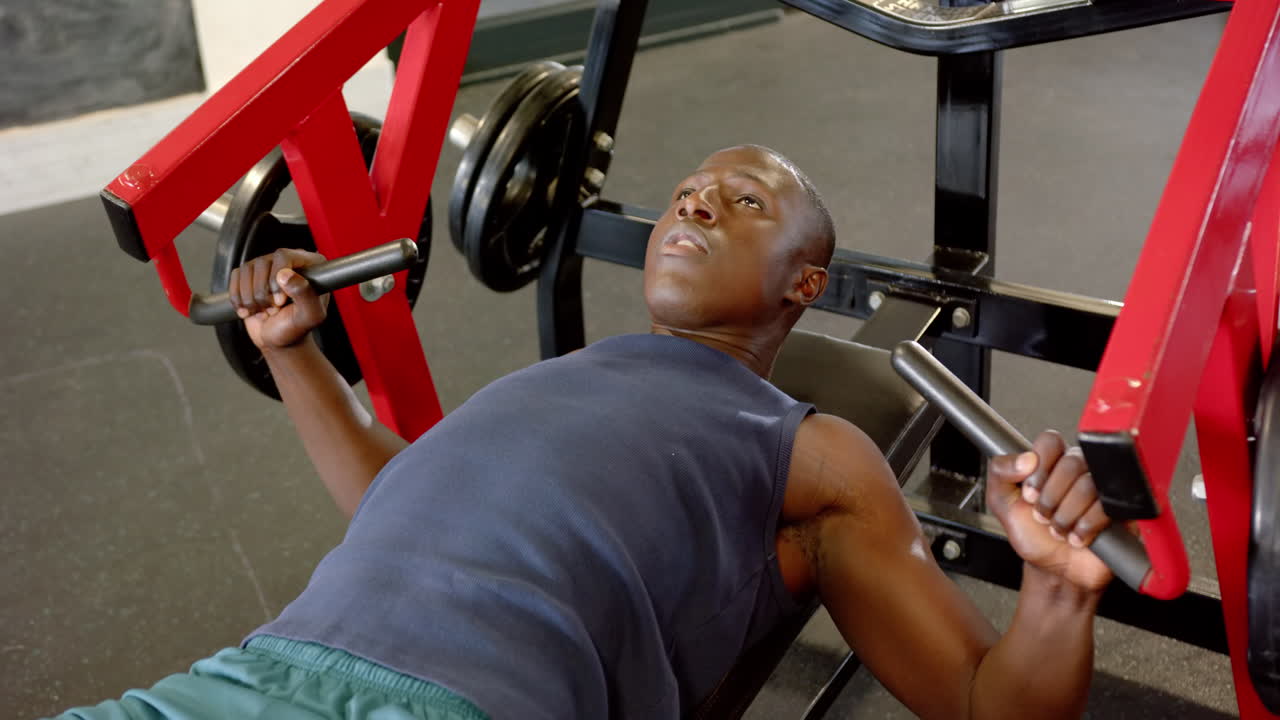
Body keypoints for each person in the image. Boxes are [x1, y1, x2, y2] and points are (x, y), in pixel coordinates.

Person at [56, 145, 1113, 720]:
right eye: (688, 194)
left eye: (739, 202)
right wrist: (293, 351)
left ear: (805, 281)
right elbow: (398, 498)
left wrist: (1058, 592)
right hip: (256, 671)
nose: (693, 206)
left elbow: (983, 702)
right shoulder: (560, 379)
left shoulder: (805, 444)